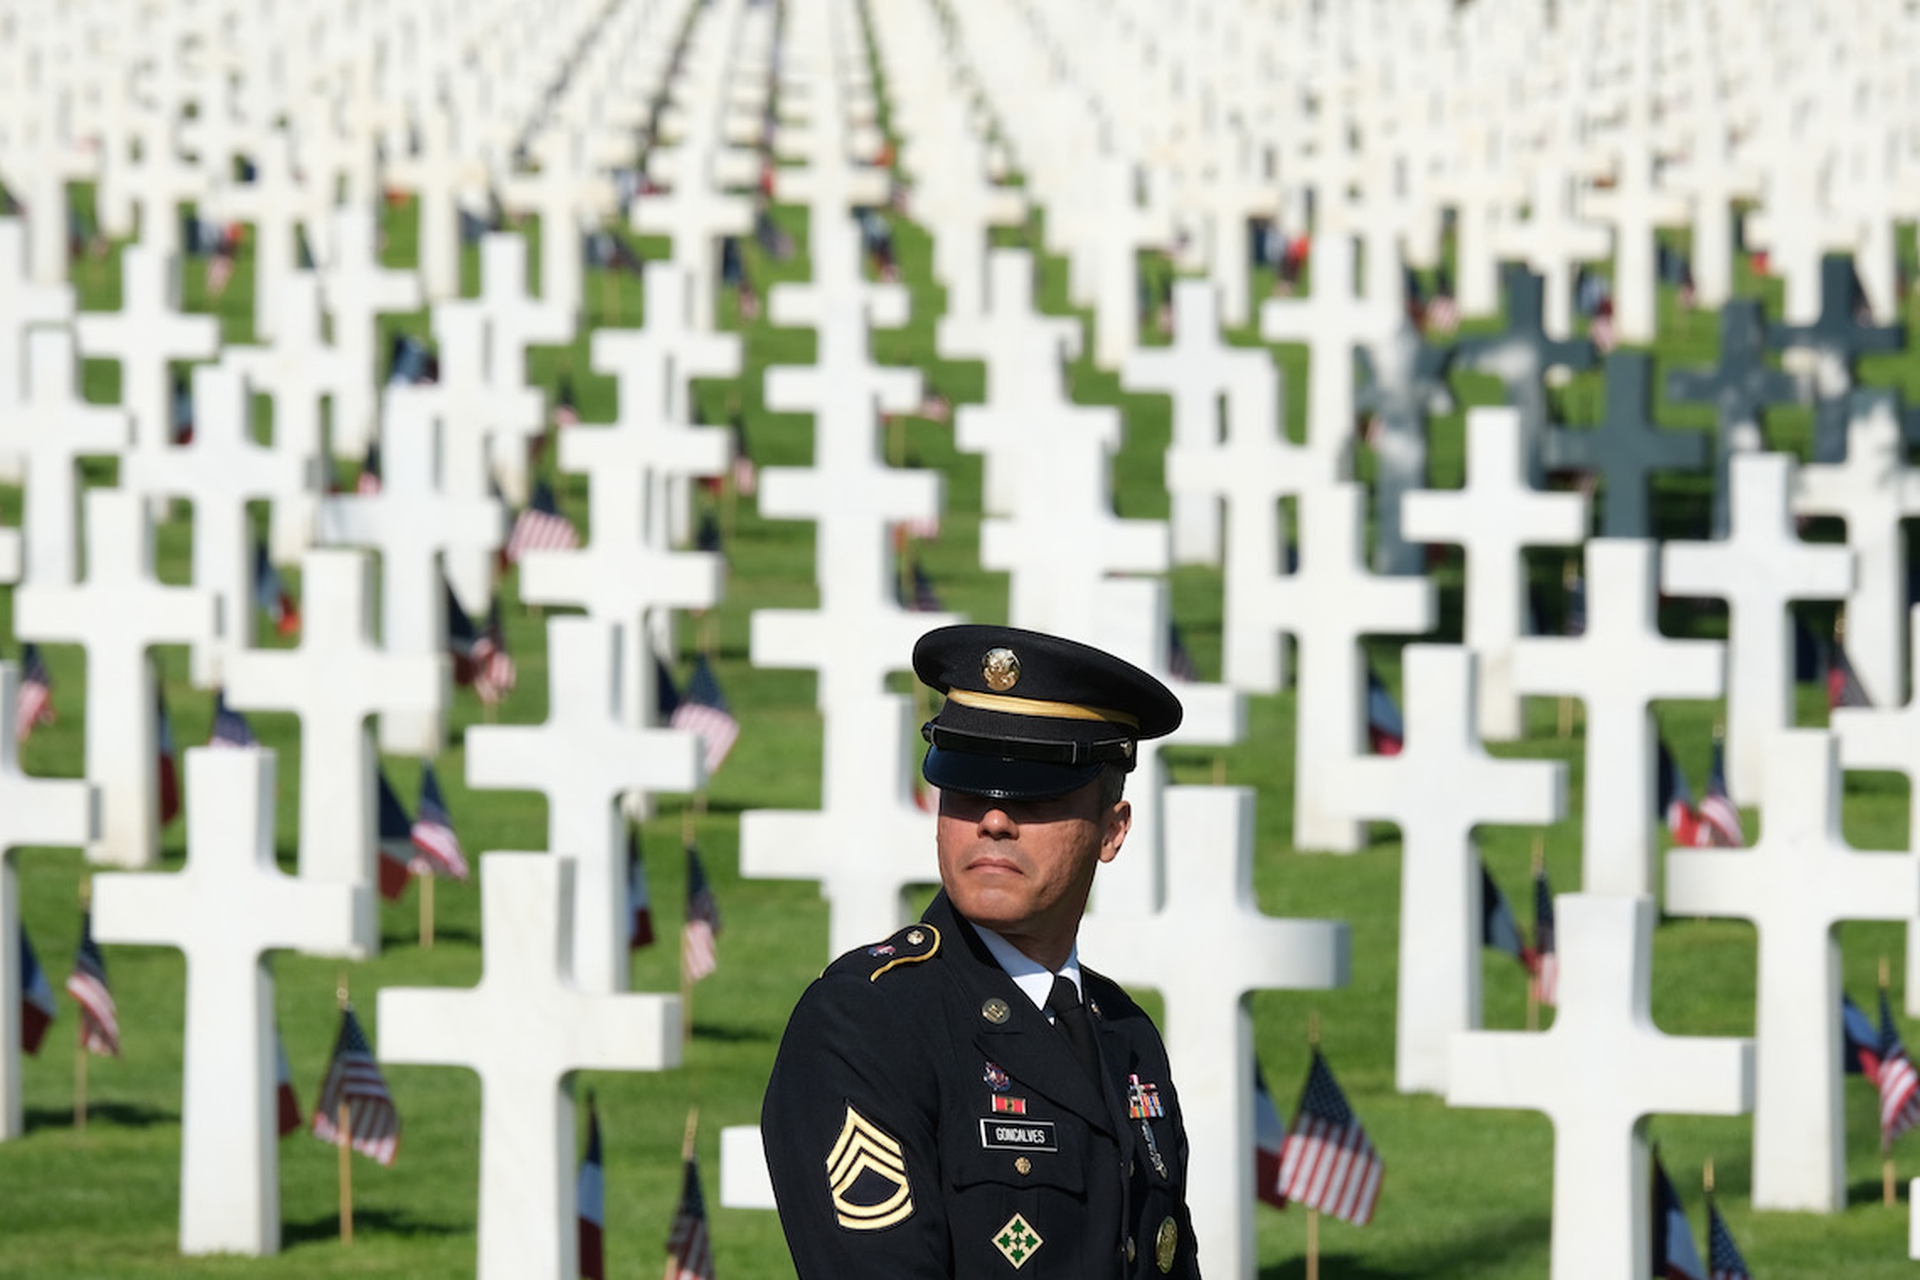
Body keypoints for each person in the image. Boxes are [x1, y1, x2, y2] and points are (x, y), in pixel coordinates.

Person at [762, 624, 1201, 1279]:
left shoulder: (1124, 1033)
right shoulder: (867, 1022)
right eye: (967, 786)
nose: (994, 819)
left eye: (1035, 791)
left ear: (1112, 829)